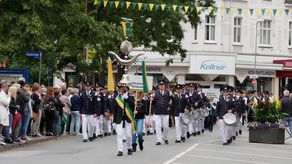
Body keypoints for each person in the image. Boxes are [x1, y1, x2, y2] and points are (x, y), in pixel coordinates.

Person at [113, 82, 135, 156]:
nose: (122, 90)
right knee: (119, 135)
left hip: (127, 119)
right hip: (119, 120)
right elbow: (115, 111)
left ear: (126, 89)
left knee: (128, 135)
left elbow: (133, 105)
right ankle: (120, 150)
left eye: (123, 89)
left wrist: (127, 98)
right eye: (120, 89)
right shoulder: (117, 99)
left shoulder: (130, 97)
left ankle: (129, 148)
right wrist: (114, 122)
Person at [151, 80, 171, 145]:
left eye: (163, 85)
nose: (162, 86)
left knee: (166, 127)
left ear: (165, 86)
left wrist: (169, 106)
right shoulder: (155, 93)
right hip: (158, 111)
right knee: (158, 126)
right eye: (160, 85)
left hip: (165, 111)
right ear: (158, 86)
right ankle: (159, 140)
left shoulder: (168, 92)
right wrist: (151, 100)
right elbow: (153, 103)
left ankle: (165, 137)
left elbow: (172, 100)